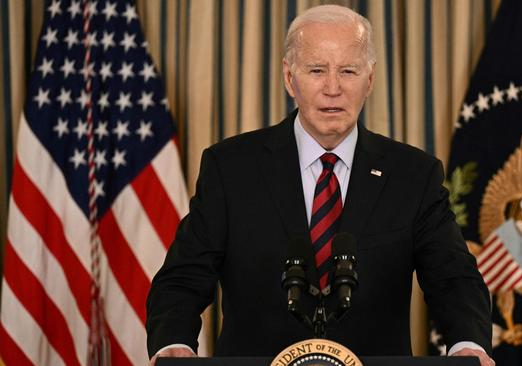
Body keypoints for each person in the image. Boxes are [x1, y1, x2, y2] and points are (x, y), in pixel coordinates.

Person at [146, 5, 494, 366]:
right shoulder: (231, 168)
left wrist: (468, 345)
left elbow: (454, 278)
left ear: (370, 79)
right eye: (316, 70)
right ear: (288, 77)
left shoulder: (414, 175)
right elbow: (183, 277)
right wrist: (174, 345)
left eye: (348, 70)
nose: (333, 88)